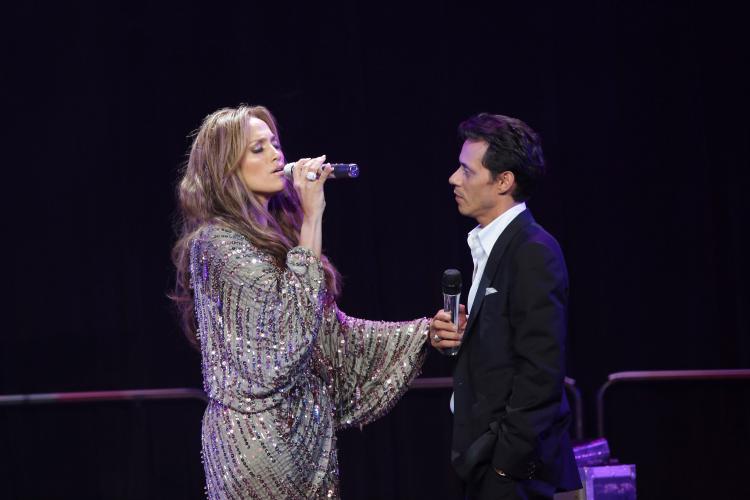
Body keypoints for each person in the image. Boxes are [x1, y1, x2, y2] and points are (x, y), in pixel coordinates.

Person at [171, 105, 430, 499]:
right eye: (258, 149)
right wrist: (313, 217)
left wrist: (425, 331)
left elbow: (330, 333)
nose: (277, 154)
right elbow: (289, 332)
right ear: (227, 168)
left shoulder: (281, 237)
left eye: (274, 143)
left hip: (306, 438)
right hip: (255, 443)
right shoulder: (216, 243)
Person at [429, 113, 582, 499]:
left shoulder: (533, 251)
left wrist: (504, 466)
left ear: (503, 181)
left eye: (467, 171)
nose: (454, 178)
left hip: (514, 472)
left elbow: (541, 375)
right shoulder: (489, 246)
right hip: (480, 457)